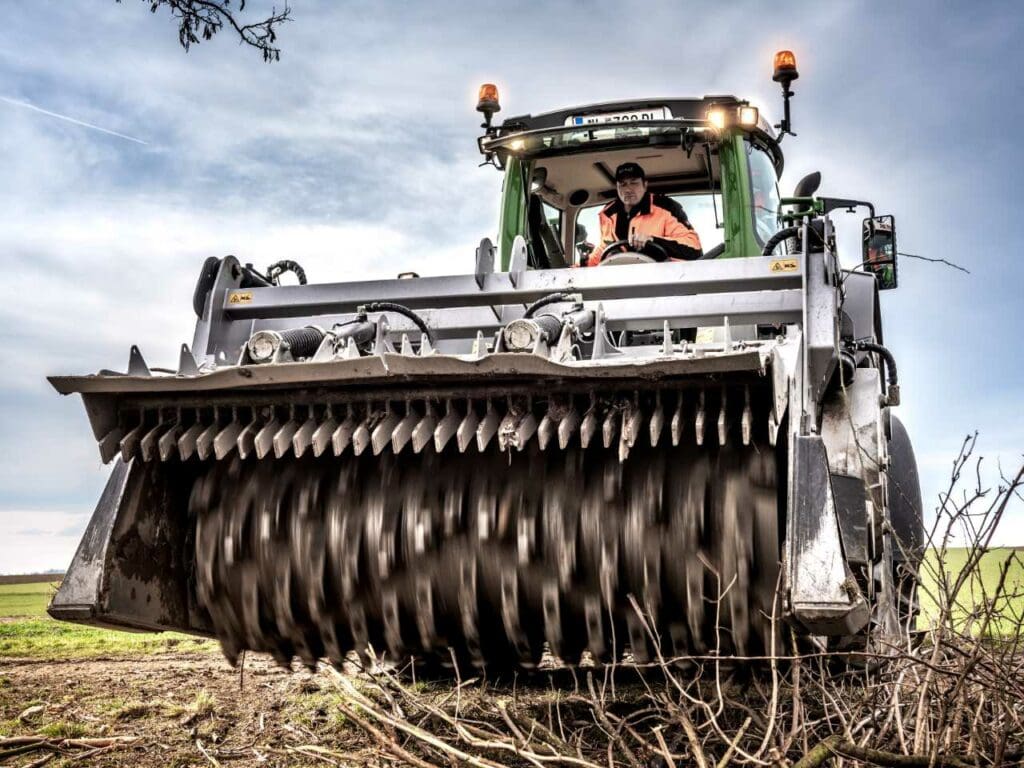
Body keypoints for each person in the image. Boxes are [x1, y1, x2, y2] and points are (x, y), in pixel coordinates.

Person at [585, 162, 703, 266]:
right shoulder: (608, 214)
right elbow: (603, 249)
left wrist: (653, 240)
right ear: (617, 187)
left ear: (645, 185)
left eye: (634, 183)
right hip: (619, 281)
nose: (628, 189)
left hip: (662, 281)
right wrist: (583, 262)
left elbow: (694, 249)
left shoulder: (666, 208)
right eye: (623, 184)